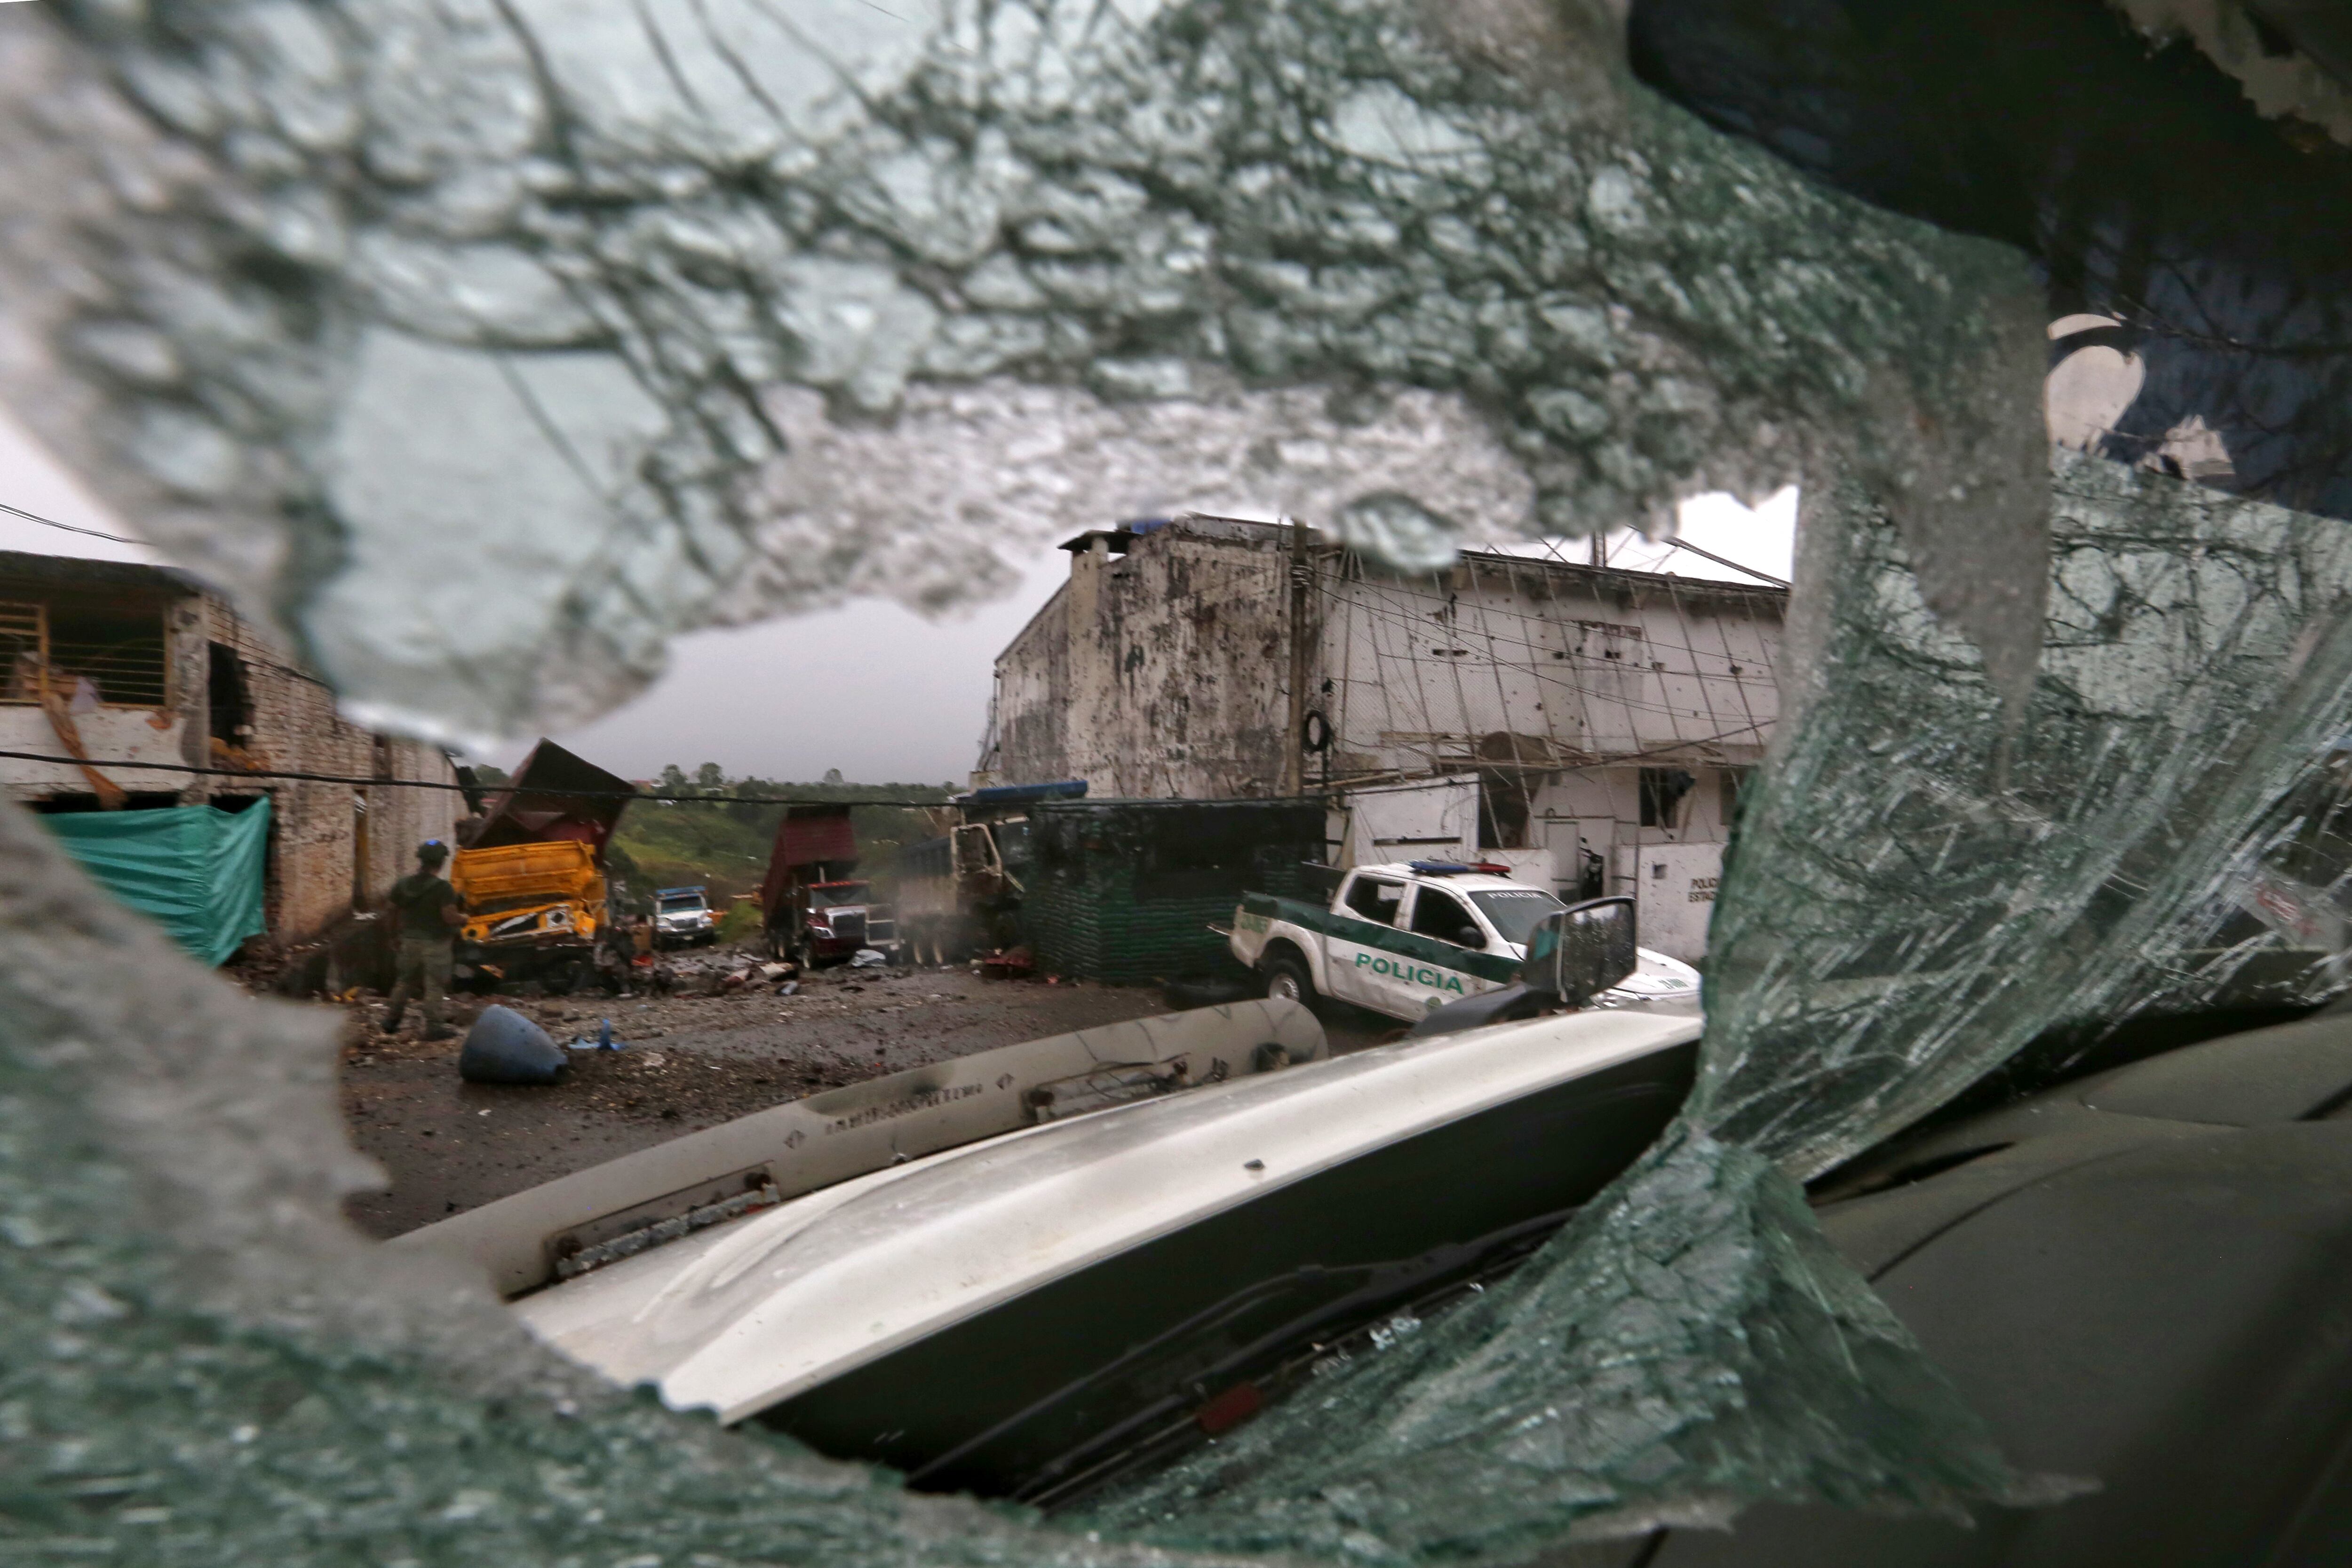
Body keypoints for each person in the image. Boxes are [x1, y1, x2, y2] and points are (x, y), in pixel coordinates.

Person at [381, 839, 464, 1040]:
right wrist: (465, 919)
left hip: (409, 942)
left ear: (421, 860)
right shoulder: (443, 888)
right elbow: (448, 917)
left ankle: (391, 1022)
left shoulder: (403, 885)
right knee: (434, 985)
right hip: (436, 945)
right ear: (441, 862)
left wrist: (393, 936)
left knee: (404, 982)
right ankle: (434, 1026)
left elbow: (390, 912)